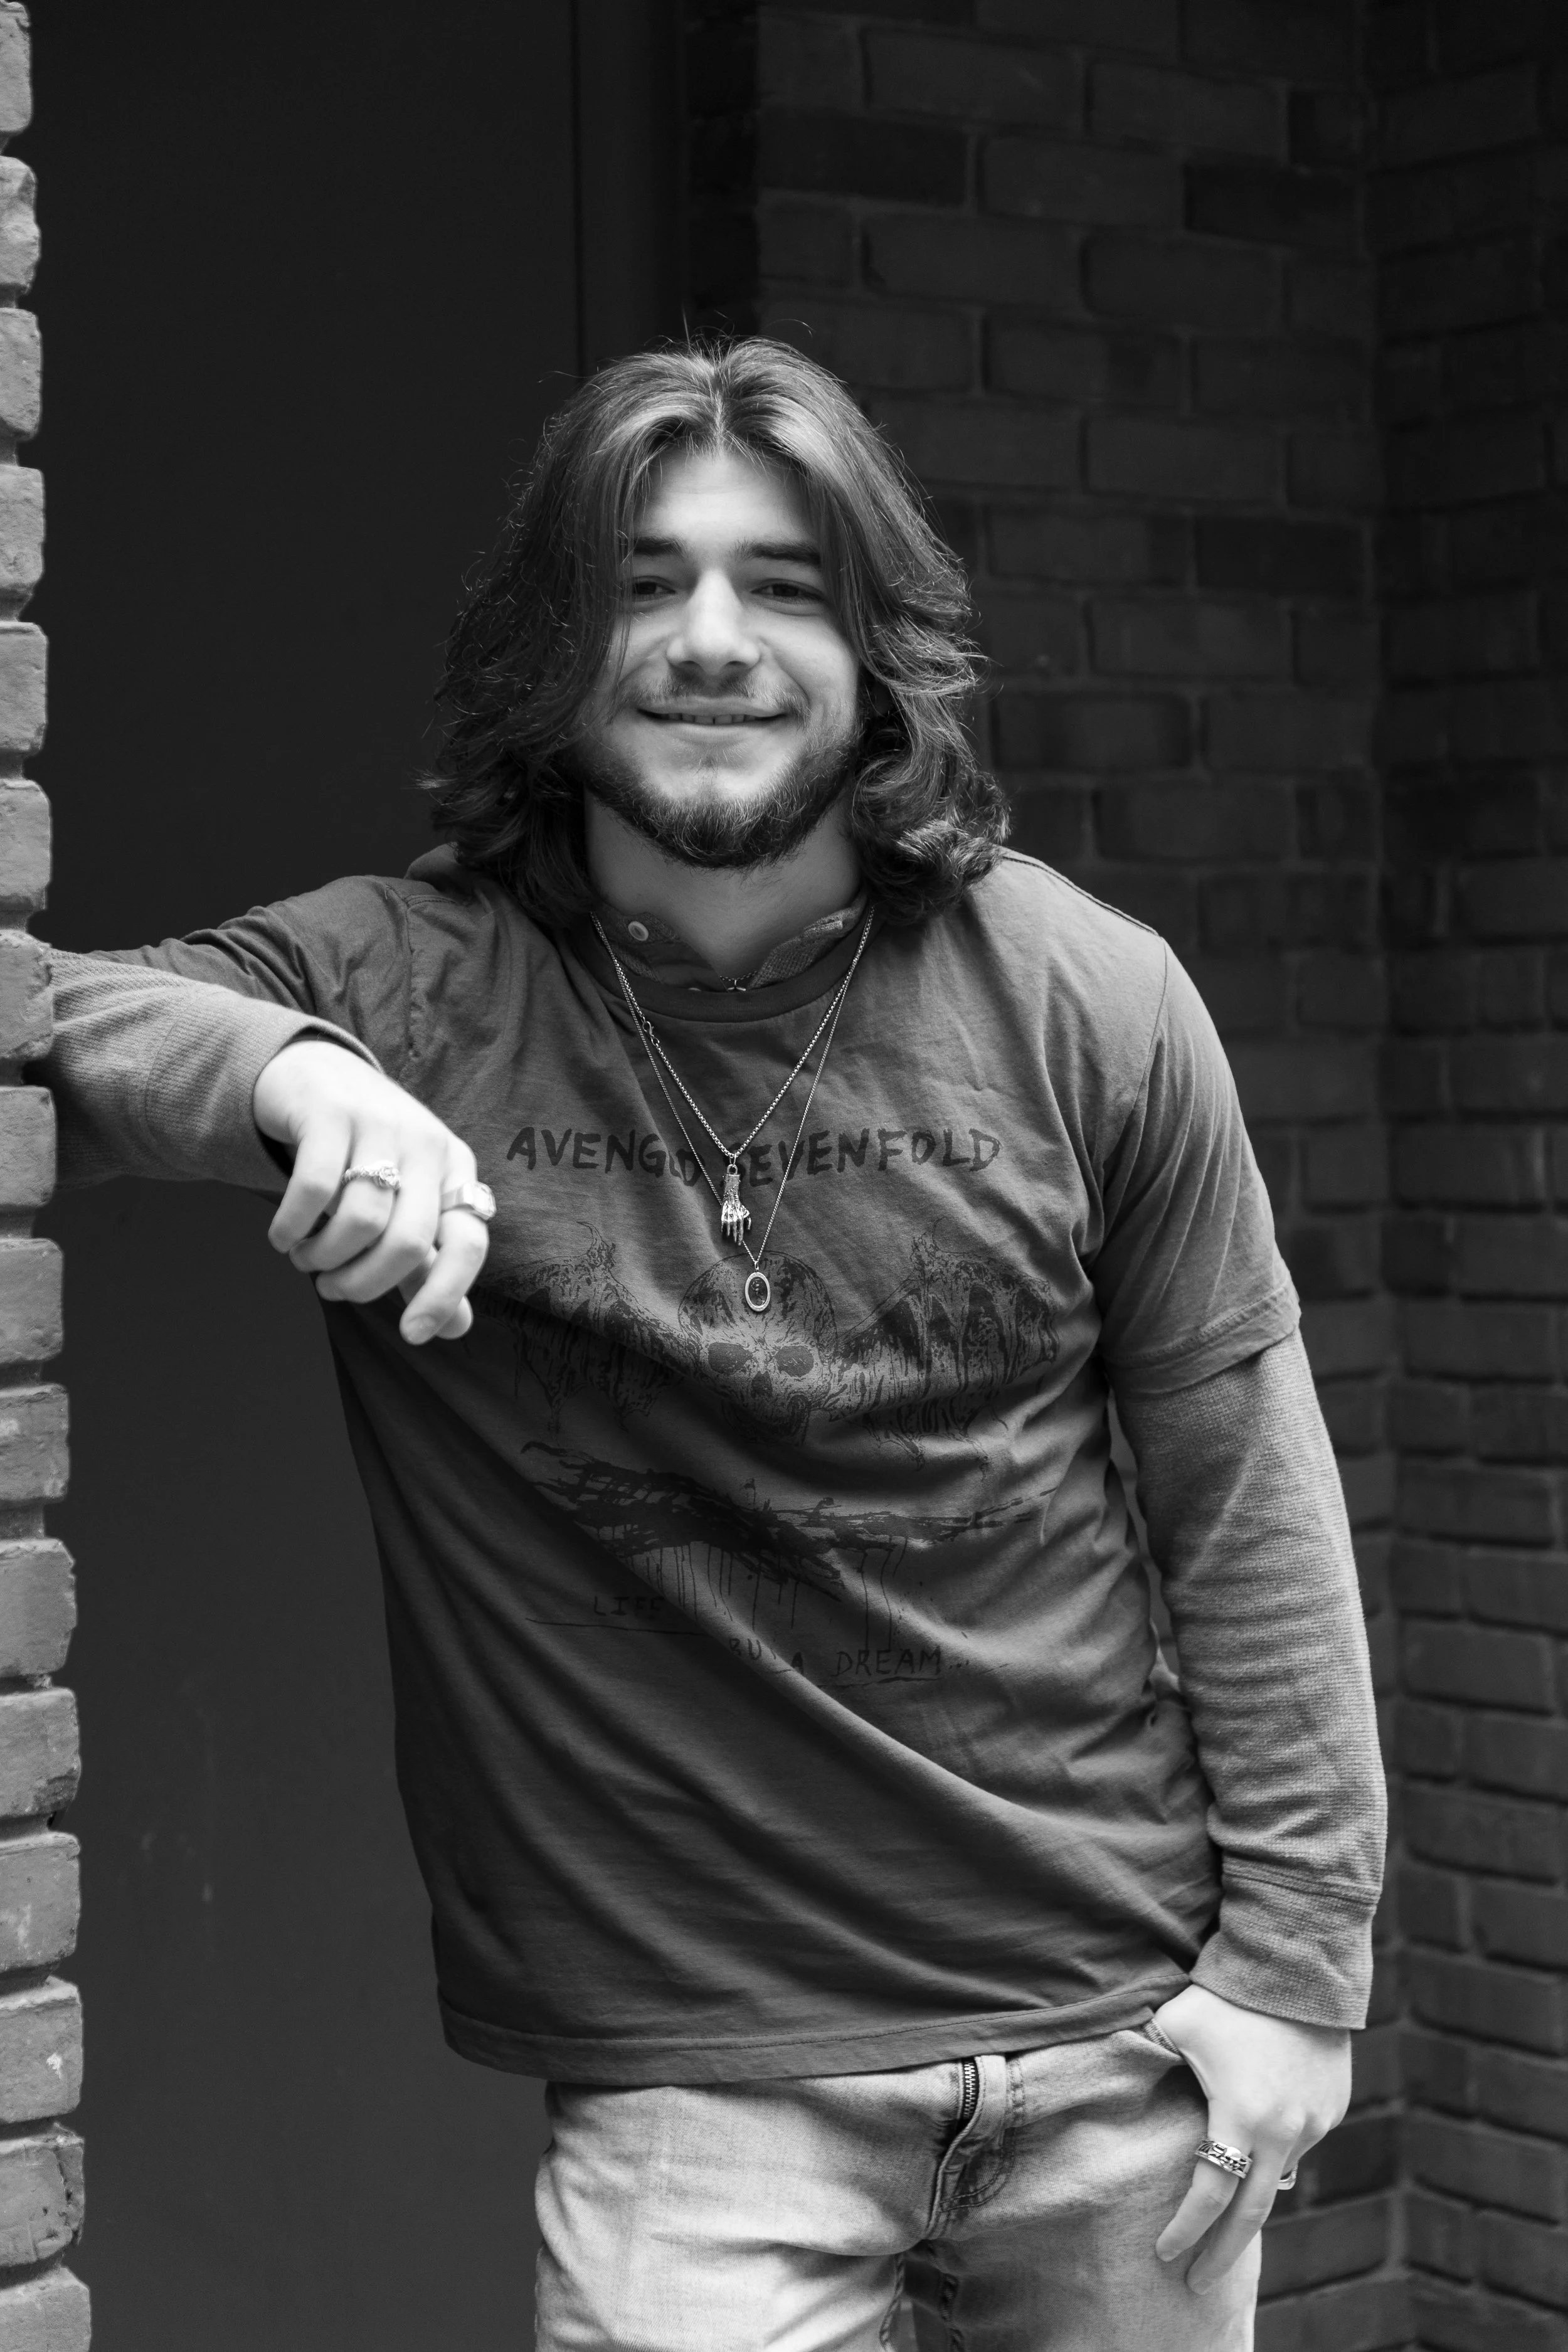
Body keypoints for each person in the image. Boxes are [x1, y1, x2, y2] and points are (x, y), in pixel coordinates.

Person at [44, 340, 1384, 2351]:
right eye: (642, 580)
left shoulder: (1088, 996)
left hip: (1128, 2061)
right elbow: (36, 1010)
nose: (707, 639)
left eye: (781, 582)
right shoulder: (403, 983)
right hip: (701, 2096)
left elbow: (1247, 1493)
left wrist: (1297, 1973)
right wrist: (289, 1076)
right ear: (551, 645)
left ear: (879, 645)